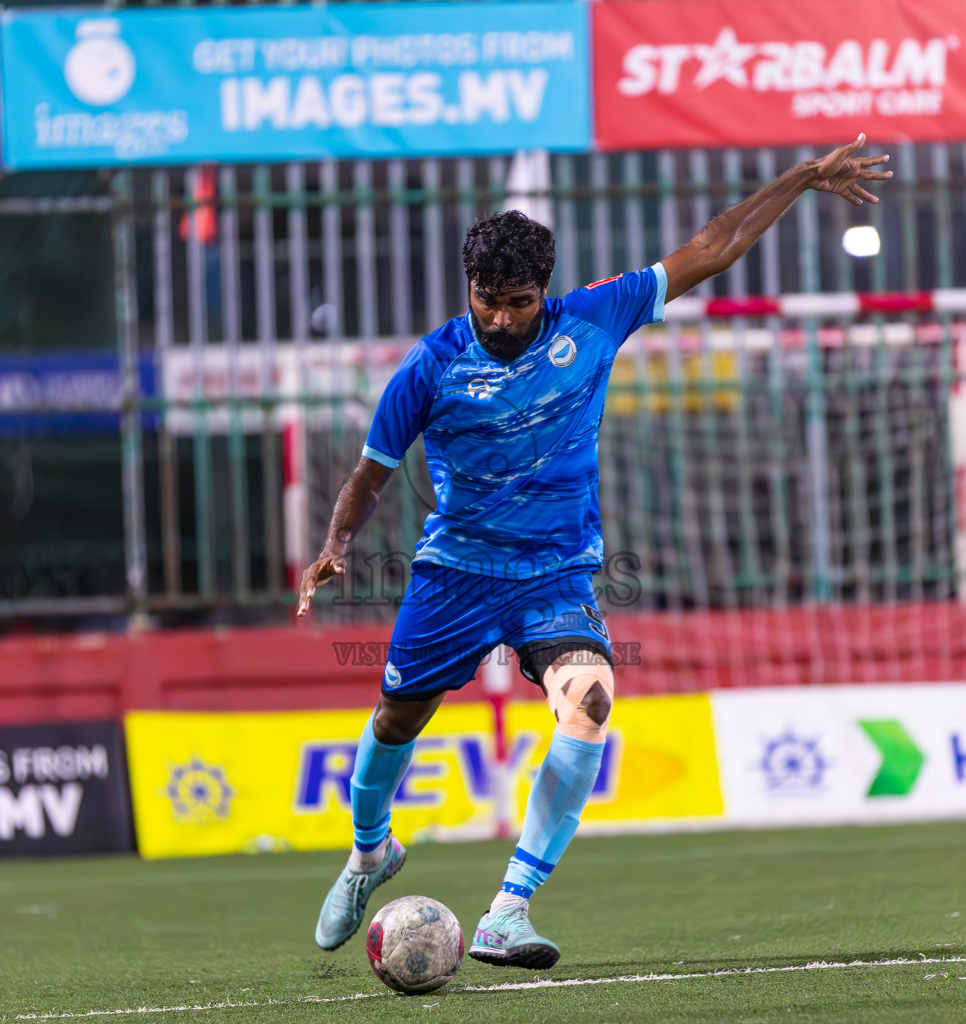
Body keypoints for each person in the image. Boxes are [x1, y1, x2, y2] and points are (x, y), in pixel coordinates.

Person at [299, 135, 892, 968]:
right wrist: (334, 545)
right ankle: (369, 854)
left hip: (556, 576)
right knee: (398, 717)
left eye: (515, 300)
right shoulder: (430, 365)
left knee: (591, 702)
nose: (499, 317)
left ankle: (509, 909)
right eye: (485, 300)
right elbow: (371, 473)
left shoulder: (594, 317)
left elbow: (709, 250)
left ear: (544, 290)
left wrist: (797, 177)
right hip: (455, 575)